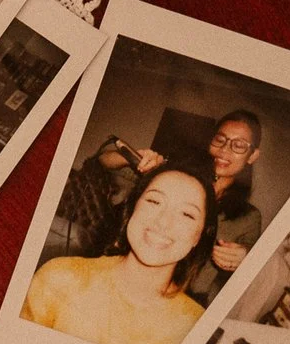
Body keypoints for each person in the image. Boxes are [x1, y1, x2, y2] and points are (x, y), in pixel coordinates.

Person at [21, 156, 220, 344]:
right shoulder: (59, 277)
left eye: (187, 214)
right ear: (132, 208)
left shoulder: (196, 328)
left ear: (199, 236)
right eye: (154, 201)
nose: (163, 222)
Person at [79, 108, 267, 300]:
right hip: (129, 278)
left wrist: (244, 258)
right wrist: (137, 159)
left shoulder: (249, 217)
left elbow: (250, 267)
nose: (225, 149)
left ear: (252, 155)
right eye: (220, 139)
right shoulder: (172, 176)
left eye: (239, 145)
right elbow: (101, 162)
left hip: (182, 298)